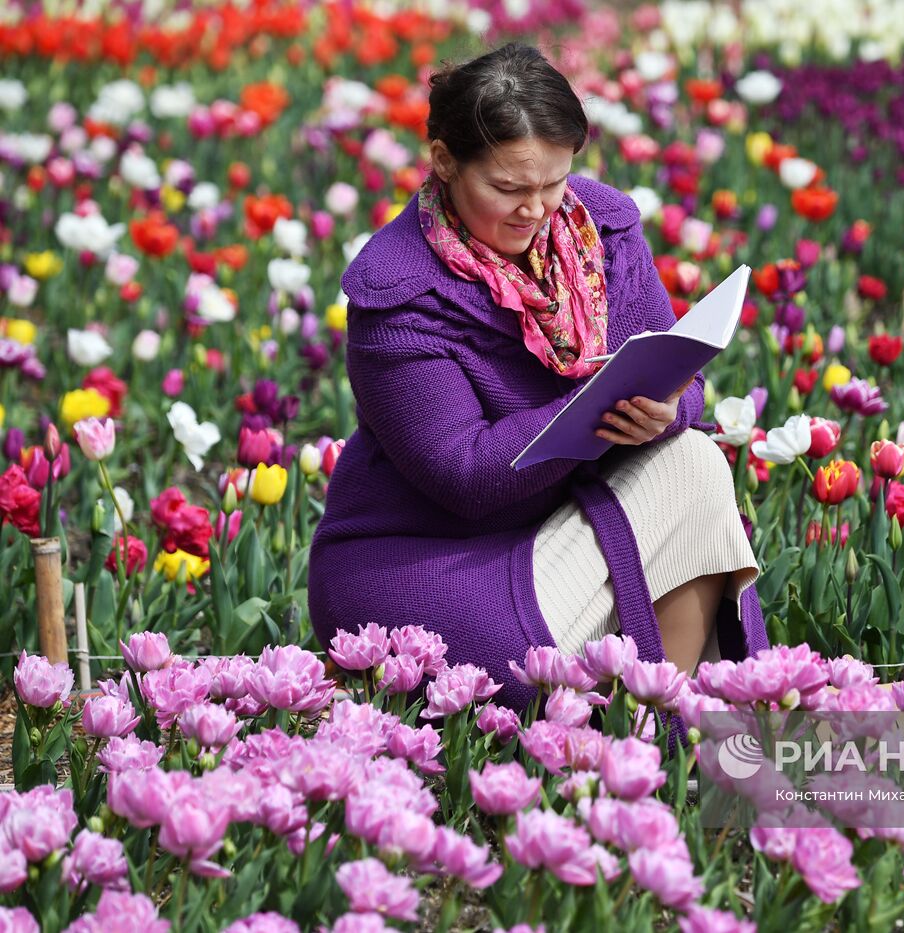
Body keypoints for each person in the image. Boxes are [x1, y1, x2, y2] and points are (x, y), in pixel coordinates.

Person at [307, 43, 768, 713]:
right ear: (443, 160)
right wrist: (592, 405)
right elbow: (463, 475)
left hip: (565, 514)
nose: (538, 210)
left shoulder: (601, 230)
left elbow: (682, 381)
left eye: (554, 183)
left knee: (693, 459)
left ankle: (658, 734)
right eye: (508, 187)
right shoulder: (398, 292)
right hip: (426, 560)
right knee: (504, 659)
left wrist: (666, 410)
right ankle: (623, 739)